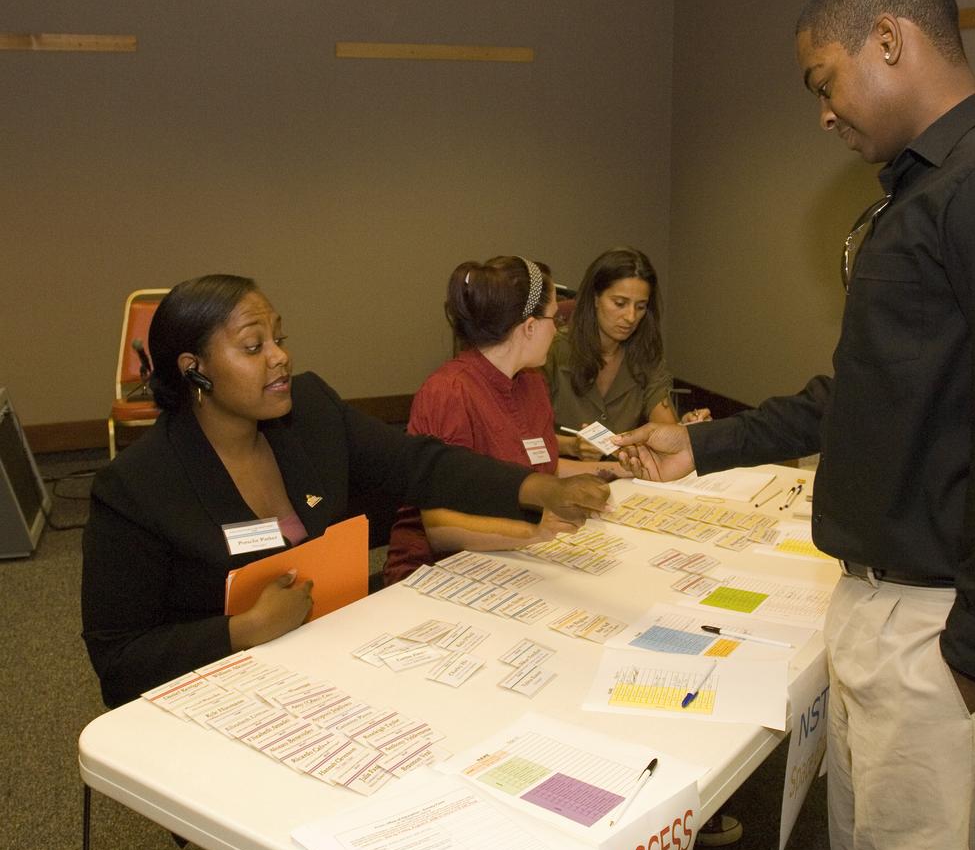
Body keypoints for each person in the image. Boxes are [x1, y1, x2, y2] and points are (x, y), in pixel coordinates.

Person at [614, 0, 975, 850]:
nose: (824, 113)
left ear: (888, 40)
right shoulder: (936, 184)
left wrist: (972, 652)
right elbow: (868, 390)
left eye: (824, 81)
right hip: (900, 604)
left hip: (941, 615)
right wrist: (705, 445)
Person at [81, 274, 610, 709]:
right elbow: (119, 660)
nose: (279, 357)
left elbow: (419, 464)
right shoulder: (136, 487)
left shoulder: (310, 410)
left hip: (341, 660)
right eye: (253, 347)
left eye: (280, 339)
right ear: (194, 371)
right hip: (227, 694)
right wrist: (242, 629)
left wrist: (537, 488)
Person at [382, 256, 627, 584]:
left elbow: (541, 467)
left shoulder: (531, 382)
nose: (557, 330)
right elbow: (440, 529)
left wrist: (620, 468)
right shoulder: (449, 392)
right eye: (555, 318)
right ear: (530, 326)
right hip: (436, 571)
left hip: (512, 559)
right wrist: (535, 530)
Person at [545, 248, 709, 461]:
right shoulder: (553, 349)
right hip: (563, 472)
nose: (631, 317)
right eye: (620, 304)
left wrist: (684, 429)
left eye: (640, 307)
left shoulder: (645, 355)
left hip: (624, 474)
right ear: (595, 298)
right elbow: (524, 439)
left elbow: (664, 425)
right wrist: (571, 446)